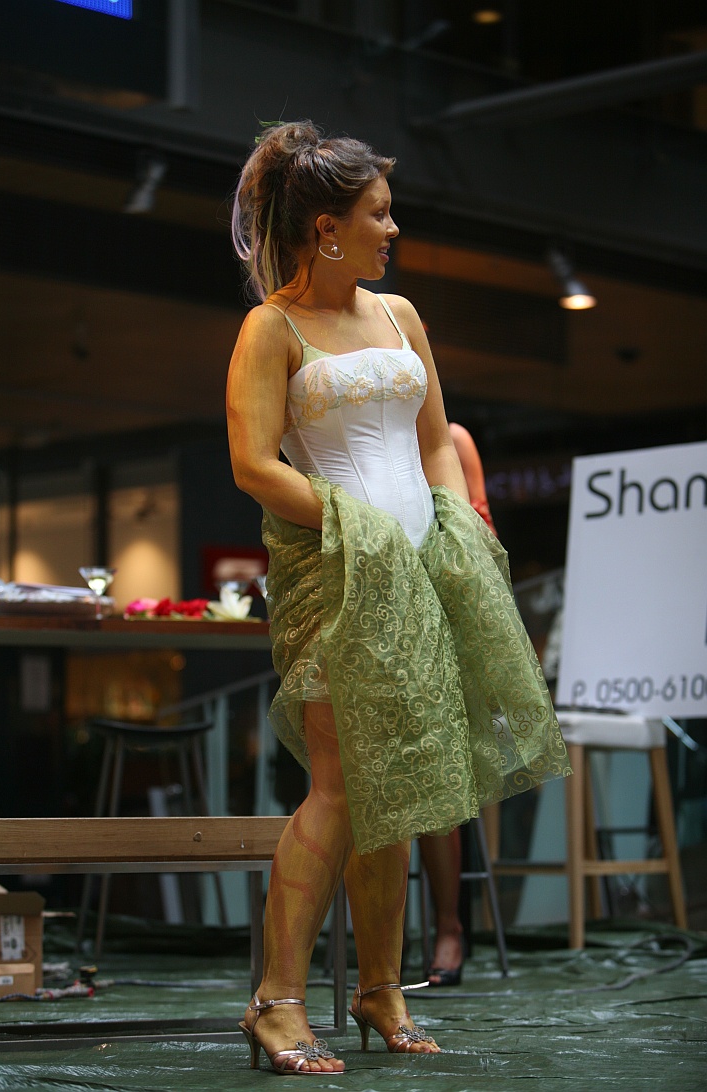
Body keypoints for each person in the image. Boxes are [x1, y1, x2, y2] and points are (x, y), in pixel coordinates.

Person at [226, 120, 570, 1075]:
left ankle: (381, 988)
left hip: (426, 569)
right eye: (378, 214)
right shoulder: (271, 329)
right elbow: (253, 465)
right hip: (336, 572)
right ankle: (277, 1002)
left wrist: (456, 524)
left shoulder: (400, 314)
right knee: (342, 787)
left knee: (399, 789)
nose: (393, 228)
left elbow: (433, 441)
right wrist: (359, 526)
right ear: (327, 229)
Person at [418, 422, 498, 987]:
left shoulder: (452, 438)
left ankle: (449, 925)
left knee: (438, 776)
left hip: (444, 610)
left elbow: (481, 531)